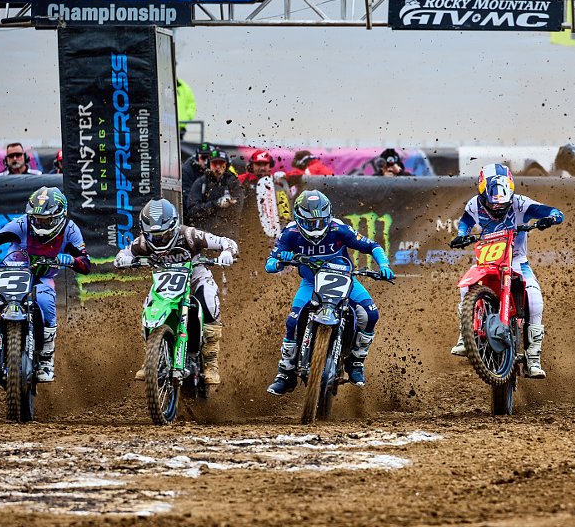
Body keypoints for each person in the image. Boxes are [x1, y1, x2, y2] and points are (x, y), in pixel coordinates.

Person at [0, 187, 90, 382]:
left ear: (59, 216)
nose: (40, 222)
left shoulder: (70, 230)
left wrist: (72, 260)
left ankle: (45, 361)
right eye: (36, 218)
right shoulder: (21, 224)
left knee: (46, 303)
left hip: (41, 278)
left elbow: (85, 263)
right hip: (11, 272)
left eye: (46, 219)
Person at [264, 190, 394, 395]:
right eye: (309, 222)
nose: (315, 227)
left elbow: (372, 246)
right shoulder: (289, 233)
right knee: (292, 322)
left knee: (370, 314)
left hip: (344, 279)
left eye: (319, 221)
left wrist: (384, 265)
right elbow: (270, 264)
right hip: (311, 282)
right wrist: (281, 260)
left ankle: (356, 362)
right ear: (299, 219)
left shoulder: (339, 229)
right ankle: (285, 373)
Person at [449, 163, 564, 379]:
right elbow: (464, 222)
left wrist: (551, 218)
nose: (497, 209)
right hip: (487, 261)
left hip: (517, 261)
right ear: (483, 193)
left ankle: (533, 358)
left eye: (502, 205)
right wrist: (461, 234)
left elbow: (552, 211)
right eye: (492, 205)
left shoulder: (521, 203)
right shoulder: (474, 204)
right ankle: (466, 337)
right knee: (466, 288)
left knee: (535, 299)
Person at [114, 198, 238, 385]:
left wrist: (227, 253)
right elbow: (121, 255)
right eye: (154, 236)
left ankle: (211, 364)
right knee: (148, 309)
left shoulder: (189, 235)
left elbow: (226, 242)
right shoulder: (142, 242)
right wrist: (123, 260)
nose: (159, 239)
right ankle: (151, 358)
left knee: (209, 304)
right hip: (165, 282)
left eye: (163, 235)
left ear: (173, 227)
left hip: (196, 276)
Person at [185, 150, 243, 235]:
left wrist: (228, 205)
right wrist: (217, 204)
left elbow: (238, 209)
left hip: (228, 235)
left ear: (226, 165)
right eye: (215, 163)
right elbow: (192, 210)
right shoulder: (201, 182)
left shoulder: (234, 183)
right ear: (209, 165)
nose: (218, 167)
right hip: (204, 236)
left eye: (221, 163)